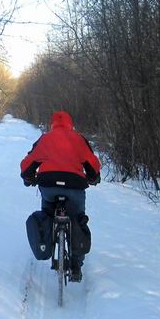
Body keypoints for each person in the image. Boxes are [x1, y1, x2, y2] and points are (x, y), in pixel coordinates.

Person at [20, 111, 101, 281]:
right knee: (78, 218)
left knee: (47, 215)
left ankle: (47, 239)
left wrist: (28, 177)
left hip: (49, 186)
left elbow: (29, 162)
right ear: (70, 124)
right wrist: (93, 177)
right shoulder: (78, 139)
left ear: (53, 124)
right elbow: (92, 162)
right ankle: (76, 264)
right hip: (74, 186)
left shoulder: (45, 139)